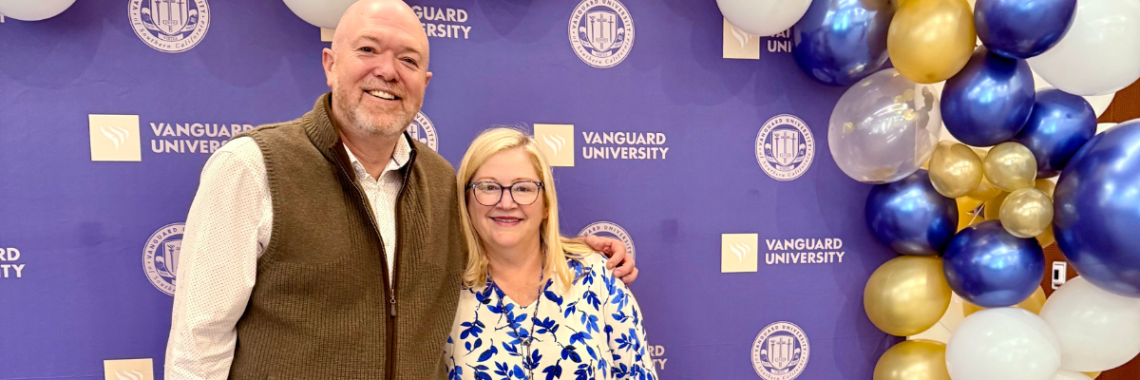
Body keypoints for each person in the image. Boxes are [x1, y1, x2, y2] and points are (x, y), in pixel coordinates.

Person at [164, 1, 636, 379]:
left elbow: (498, 230)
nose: (388, 71)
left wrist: (575, 249)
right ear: (330, 64)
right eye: (368, 50)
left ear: (424, 83)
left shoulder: (438, 181)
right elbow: (198, 346)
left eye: (408, 59)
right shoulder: (251, 167)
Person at [444, 128, 656, 380]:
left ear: (546, 204)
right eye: (488, 187)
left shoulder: (598, 275)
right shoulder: (443, 292)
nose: (506, 203)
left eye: (523, 188)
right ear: (466, 200)